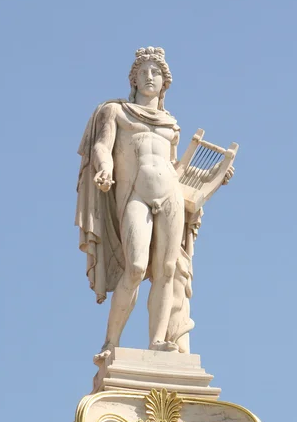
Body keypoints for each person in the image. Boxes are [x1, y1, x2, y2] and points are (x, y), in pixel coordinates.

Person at [76, 47, 203, 362]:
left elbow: (174, 168)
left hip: (169, 194)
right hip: (135, 194)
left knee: (167, 269)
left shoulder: (171, 124)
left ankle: (158, 341)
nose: (150, 77)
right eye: (144, 72)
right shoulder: (115, 111)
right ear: (133, 79)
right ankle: (111, 341)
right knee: (135, 267)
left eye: (156, 73)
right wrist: (105, 167)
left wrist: (212, 175)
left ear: (164, 83)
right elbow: (101, 147)